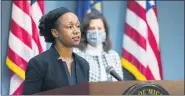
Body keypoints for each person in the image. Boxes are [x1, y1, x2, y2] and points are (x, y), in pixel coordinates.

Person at [23, 7, 89, 95]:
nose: (76, 31)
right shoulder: (38, 64)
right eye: (70, 26)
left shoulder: (83, 64)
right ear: (55, 32)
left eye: (77, 26)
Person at [73, 12, 123, 82]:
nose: (96, 32)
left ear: (105, 31)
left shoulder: (113, 55)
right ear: (85, 31)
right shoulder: (76, 54)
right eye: (92, 28)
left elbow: (120, 84)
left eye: (99, 28)